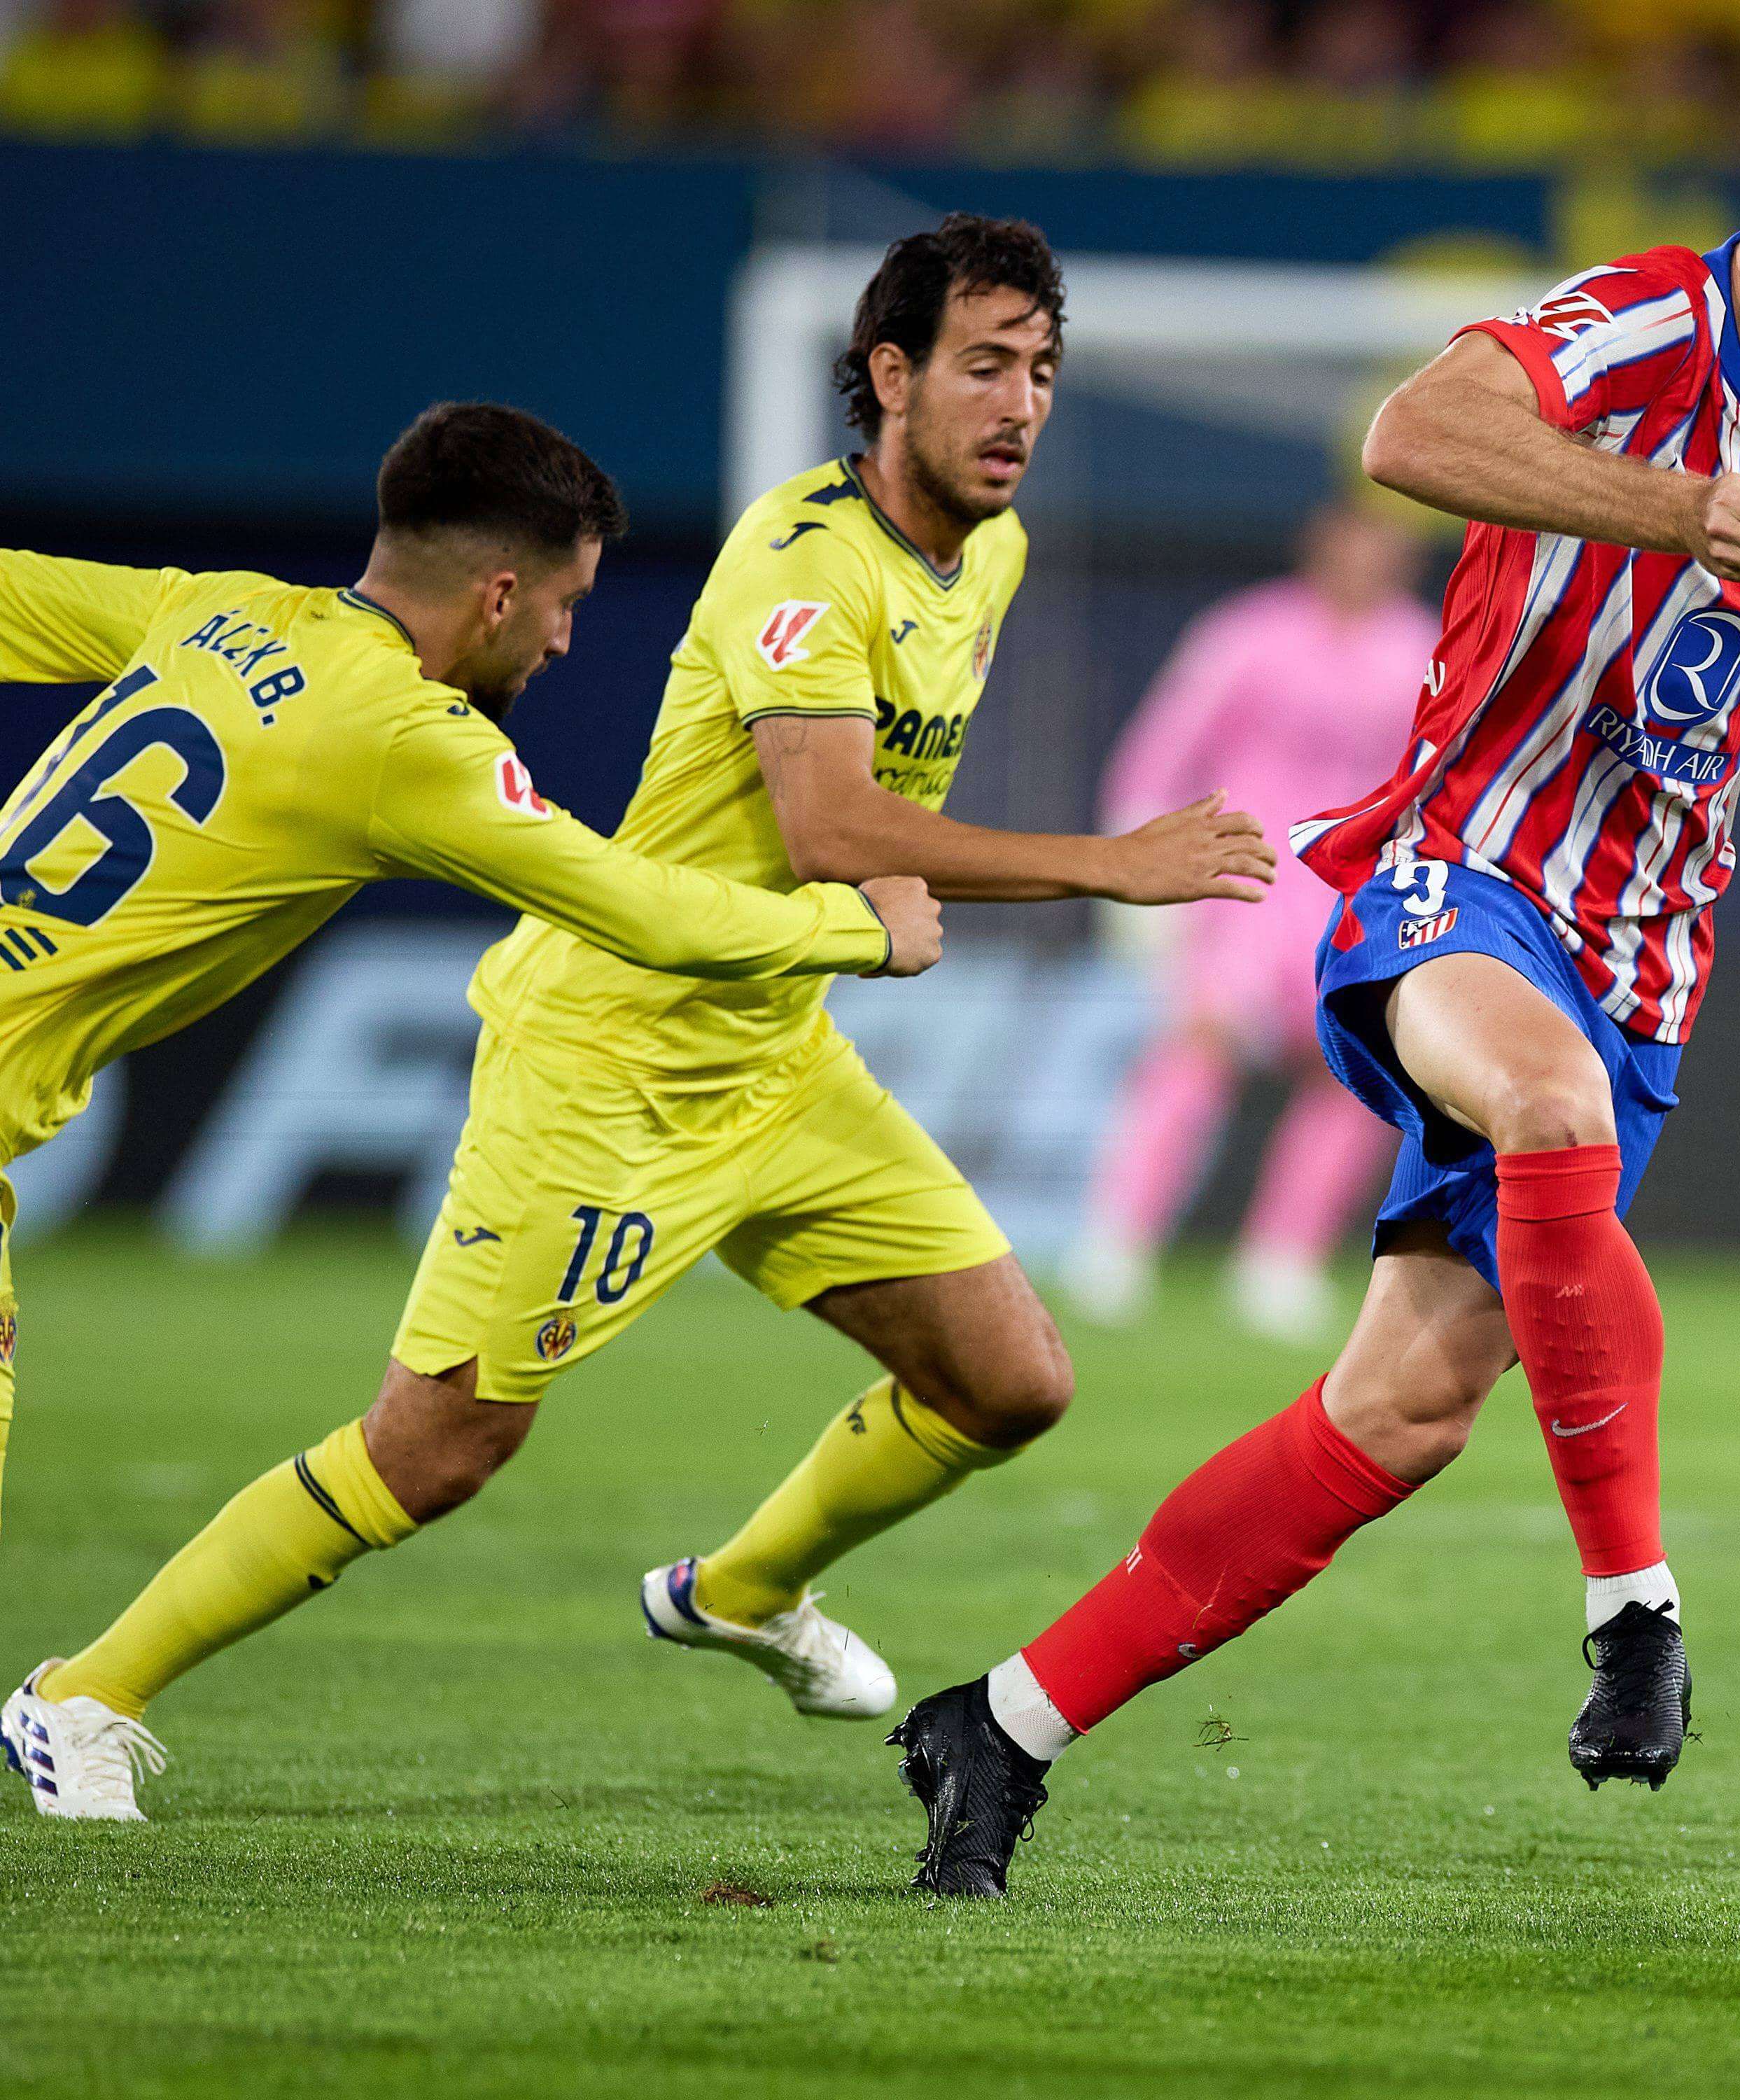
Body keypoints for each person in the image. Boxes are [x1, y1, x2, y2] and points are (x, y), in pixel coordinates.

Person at [887, 60, 1740, 1899]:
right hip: (1463, 872)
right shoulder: (1636, 329)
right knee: (1546, 1101)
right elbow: (1414, 432)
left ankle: (1003, 1727)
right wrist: (1667, 507)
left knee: (1398, 1415)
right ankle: (1635, 1613)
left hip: (1651, 944)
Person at [8, 214, 1275, 1823]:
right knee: (437, 1450)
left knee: (1009, 1378)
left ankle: (739, 1592)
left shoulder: (994, 555)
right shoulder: (792, 563)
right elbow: (827, 827)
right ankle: (85, 1693)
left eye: (1040, 368)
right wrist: (1102, 868)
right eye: (984, 366)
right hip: (610, 1060)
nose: (1021, 402)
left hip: (775, 1053)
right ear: (890, 375)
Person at [0, 400, 949, 1813]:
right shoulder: (407, 740)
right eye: (566, 604)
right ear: (501, 594)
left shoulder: (216, 611)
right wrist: (858, 932)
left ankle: (81, 1703)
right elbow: (644, 910)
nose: (565, 641)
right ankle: (76, 1705)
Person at [1060, 500, 1434, 1343]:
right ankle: (1117, 1240)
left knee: (1360, 1076)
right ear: (1320, 544)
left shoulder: (1422, 651)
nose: (1369, 560)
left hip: (1355, 899)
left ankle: (1281, 1261)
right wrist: (1131, 869)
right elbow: (1162, 751)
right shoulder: (1246, 636)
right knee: (1198, 1051)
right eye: (1355, 542)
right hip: (1239, 885)